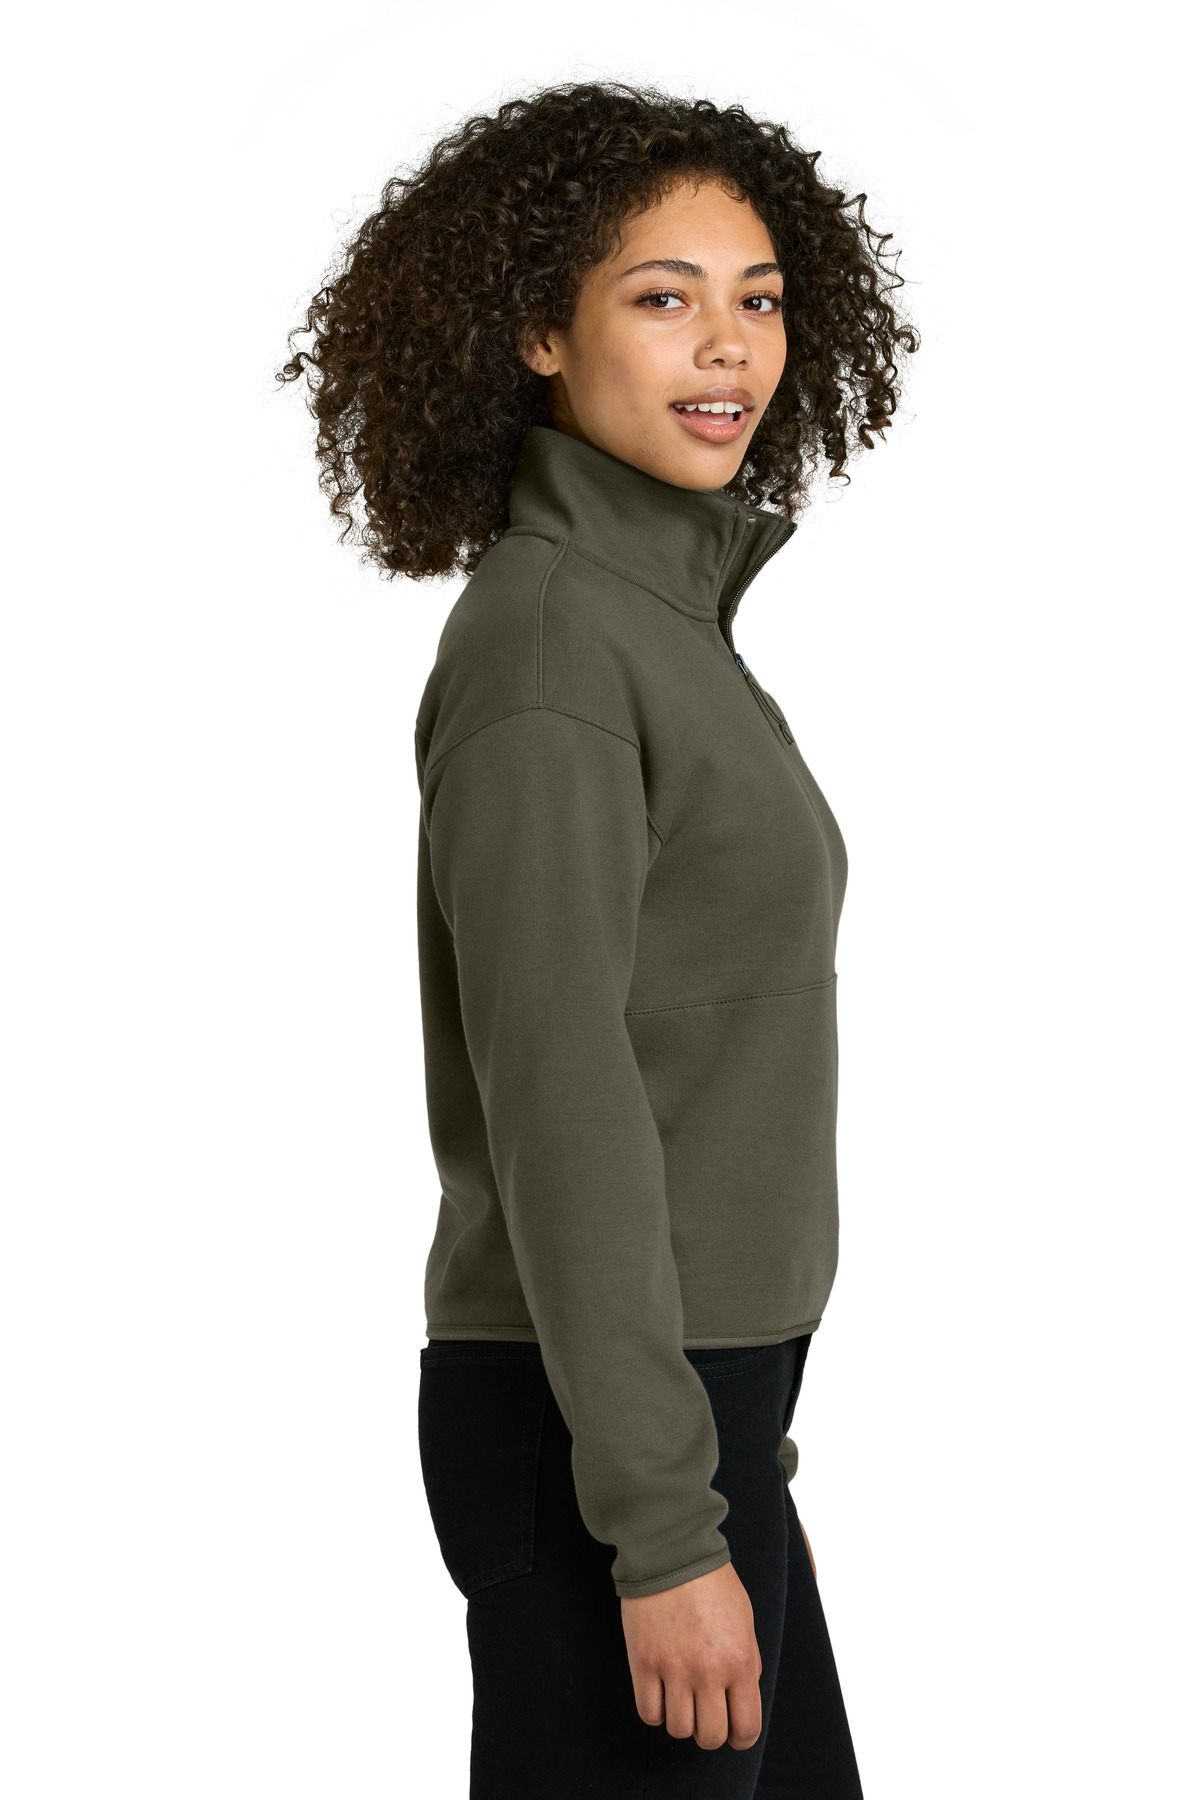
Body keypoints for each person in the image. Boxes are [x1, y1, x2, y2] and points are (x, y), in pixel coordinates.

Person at [279, 79, 918, 1798]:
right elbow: (563, 1099)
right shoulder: (555, 643)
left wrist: (724, 1467)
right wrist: (660, 1524)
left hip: (693, 1417)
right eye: (662, 296)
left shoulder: (658, 622)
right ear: (539, 335)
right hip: (604, 1433)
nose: (729, 346)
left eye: (759, 297)